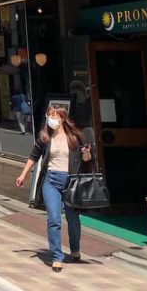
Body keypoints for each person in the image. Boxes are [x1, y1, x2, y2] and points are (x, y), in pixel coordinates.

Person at [15, 105, 93, 272]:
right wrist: (23, 175)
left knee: (73, 220)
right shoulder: (45, 137)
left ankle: (74, 249)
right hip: (51, 181)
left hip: (70, 182)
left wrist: (86, 153)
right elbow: (33, 157)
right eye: (50, 116)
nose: (53, 119)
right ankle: (57, 256)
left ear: (63, 118)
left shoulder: (75, 137)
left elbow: (86, 159)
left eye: (56, 116)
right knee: (54, 219)